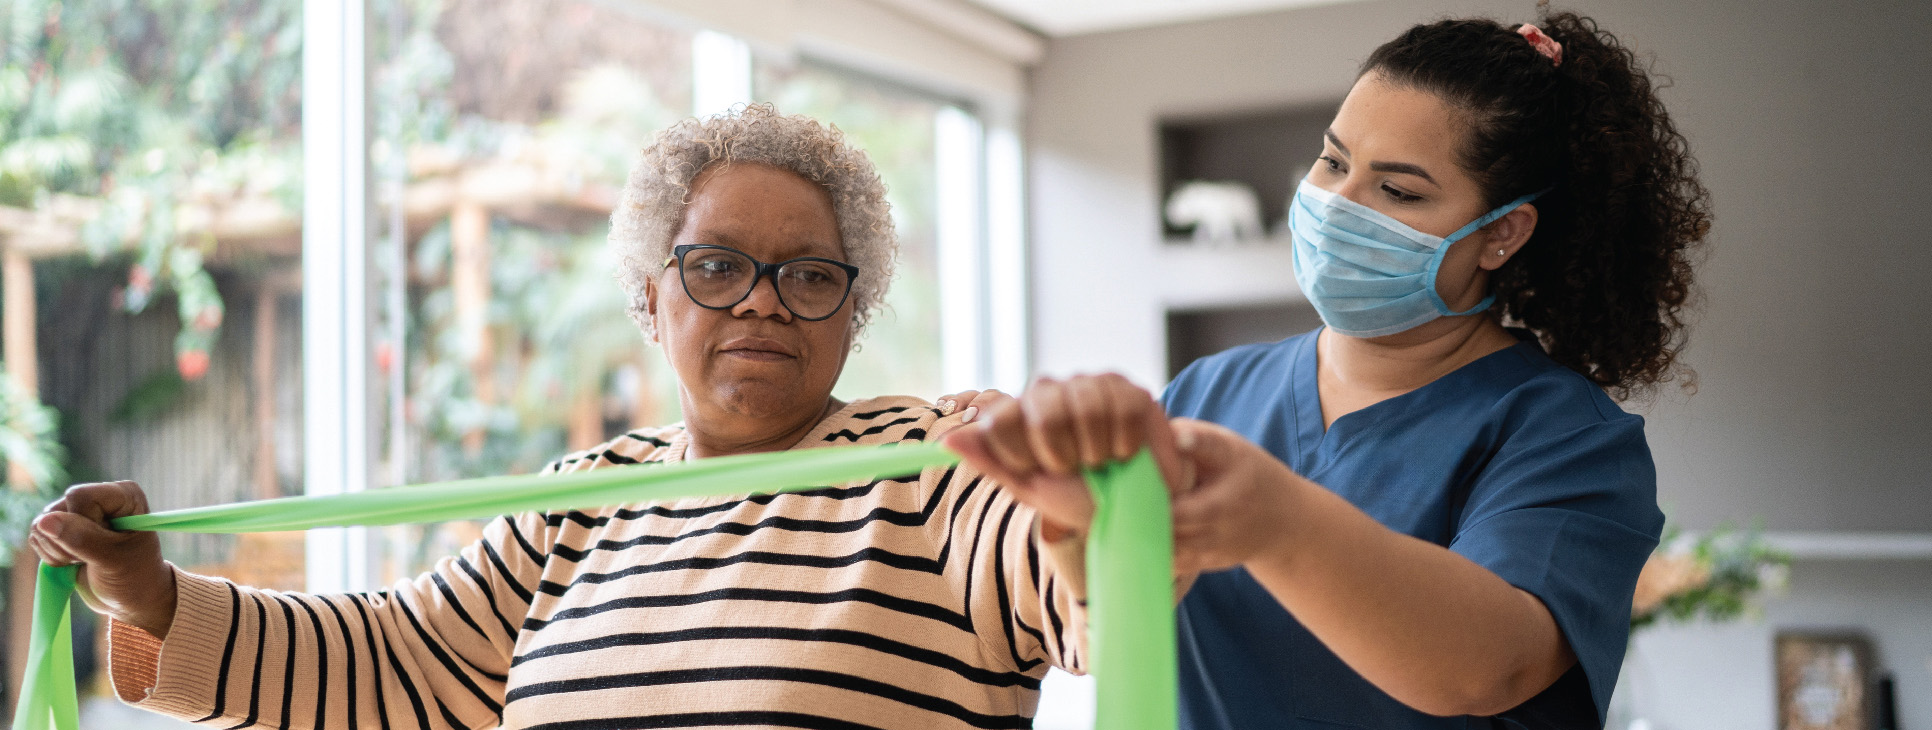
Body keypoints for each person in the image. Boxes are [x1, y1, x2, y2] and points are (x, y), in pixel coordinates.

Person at [27, 104, 1103, 730]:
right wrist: (153, 593)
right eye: (718, 265)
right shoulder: (581, 503)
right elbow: (395, 658)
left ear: (852, 309)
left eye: (809, 274)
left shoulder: (940, 468)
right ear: (649, 293)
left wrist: (1075, 508)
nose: (765, 299)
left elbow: (1097, 597)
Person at [948, 10, 1710, 729]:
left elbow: (1489, 666)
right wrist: (1082, 545)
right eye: (1334, 159)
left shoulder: (1564, 436)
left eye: (1398, 190)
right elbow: (1119, 645)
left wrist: (1276, 522)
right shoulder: (1208, 392)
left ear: (1502, 233)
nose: (1338, 204)